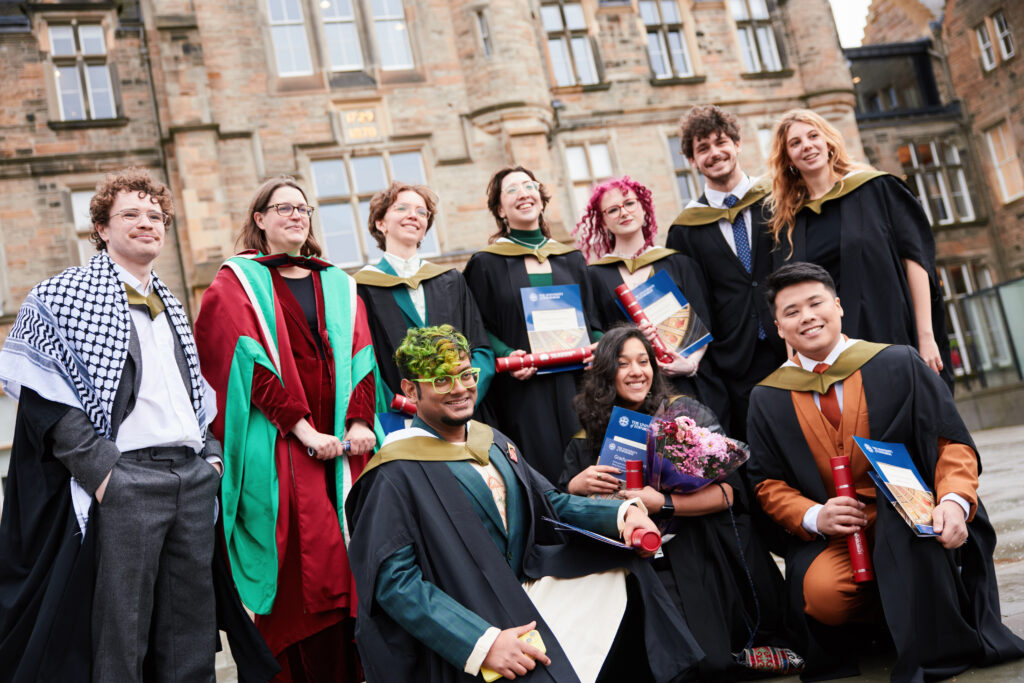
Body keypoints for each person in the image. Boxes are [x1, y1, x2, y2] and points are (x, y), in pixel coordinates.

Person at [0, 168, 274, 682]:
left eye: (155, 216)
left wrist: (210, 459)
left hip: (190, 481)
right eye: (130, 214)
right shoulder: (63, 295)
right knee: (120, 639)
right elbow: (44, 398)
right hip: (125, 481)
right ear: (101, 227)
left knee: (191, 637)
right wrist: (105, 476)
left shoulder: (171, 302)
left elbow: (194, 397)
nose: (146, 223)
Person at [346, 325, 703, 683]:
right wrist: (482, 644)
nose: (459, 389)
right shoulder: (394, 473)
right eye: (441, 380)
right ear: (411, 389)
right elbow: (396, 584)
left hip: (523, 593)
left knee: (623, 569)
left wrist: (623, 516)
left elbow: (549, 503)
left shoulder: (492, 441)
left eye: (466, 375)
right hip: (475, 620)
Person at [746, 262, 1024, 680]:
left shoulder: (898, 364)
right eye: (791, 311)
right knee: (821, 597)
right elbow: (767, 483)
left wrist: (953, 501)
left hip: (912, 519)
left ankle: (922, 618)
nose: (806, 316)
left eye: (815, 302)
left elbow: (951, 443)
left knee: (918, 560)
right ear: (779, 327)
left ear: (838, 307)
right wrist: (814, 515)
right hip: (841, 533)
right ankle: (890, 621)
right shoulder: (767, 397)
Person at [195, 176, 381, 681]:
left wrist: (361, 420)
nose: (296, 216)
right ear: (260, 220)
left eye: (303, 208)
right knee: (303, 572)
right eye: (283, 208)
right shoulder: (237, 282)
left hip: (345, 448)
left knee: (354, 562)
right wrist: (302, 430)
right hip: (280, 451)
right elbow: (246, 363)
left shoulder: (337, 282)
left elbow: (363, 357)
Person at [560, 325, 793, 680]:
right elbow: (563, 509)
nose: (637, 371)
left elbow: (730, 493)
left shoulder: (681, 422)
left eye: (644, 361)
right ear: (606, 373)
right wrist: (575, 486)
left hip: (690, 547)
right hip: (626, 560)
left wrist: (665, 503)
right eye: (624, 364)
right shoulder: (586, 438)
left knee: (707, 661)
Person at [764, 108, 952, 390]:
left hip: (889, 330)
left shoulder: (877, 189)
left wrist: (926, 335)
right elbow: (788, 295)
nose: (807, 146)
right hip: (827, 352)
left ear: (828, 143)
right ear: (788, 159)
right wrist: (795, 361)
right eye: (795, 143)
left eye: (813, 136)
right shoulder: (788, 222)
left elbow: (916, 260)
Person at [463, 166, 602, 482]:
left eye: (529, 186)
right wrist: (509, 354)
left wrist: (600, 345)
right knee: (542, 475)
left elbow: (592, 319)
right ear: (500, 209)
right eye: (511, 190)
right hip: (523, 391)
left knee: (589, 469)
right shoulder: (486, 264)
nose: (523, 193)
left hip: (577, 386)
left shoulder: (571, 259)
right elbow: (477, 326)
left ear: (541, 198)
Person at [666, 105, 787, 441]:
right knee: (757, 447)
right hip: (733, 359)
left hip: (791, 343)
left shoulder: (777, 200)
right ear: (691, 160)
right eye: (702, 148)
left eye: (720, 143)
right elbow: (687, 298)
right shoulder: (685, 229)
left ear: (737, 144)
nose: (714, 154)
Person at [575, 175, 729, 431]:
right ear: (603, 221)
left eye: (629, 203)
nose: (623, 212)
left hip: (691, 380)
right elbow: (596, 328)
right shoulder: (594, 275)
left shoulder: (678, 263)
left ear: (644, 208)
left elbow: (703, 320)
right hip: (633, 391)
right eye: (613, 209)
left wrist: (690, 364)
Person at [354, 181, 494, 424]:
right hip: (402, 419)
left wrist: (464, 394)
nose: (413, 216)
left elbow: (481, 350)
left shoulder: (451, 280)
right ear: (380, 223)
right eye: (402, 209)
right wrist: (403, 404)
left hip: (465, 416)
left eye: (421, 212)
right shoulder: (363, 288)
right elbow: (366, 363)